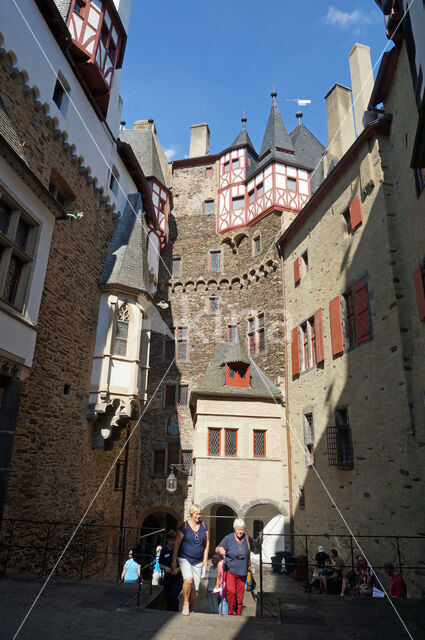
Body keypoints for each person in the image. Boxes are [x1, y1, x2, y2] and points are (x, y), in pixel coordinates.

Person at [215, 518, 259, 616]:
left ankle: (238, 614)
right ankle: (231, 612)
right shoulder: (228, 538)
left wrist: (258, 544)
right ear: (235, 529)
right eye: (239, 529)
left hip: (243, 573)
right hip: (230, 571)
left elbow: (255, 550)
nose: (240, 531)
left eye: (242, 529)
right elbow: (217, 548)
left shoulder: (247, 538)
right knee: (231, 592)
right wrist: (220, 549)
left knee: (240, 597)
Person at [172, 503, 209, 616]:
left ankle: (191, 610)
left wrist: (205, 559)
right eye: (196, 514)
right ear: (191, 514)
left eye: (200, 514)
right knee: (188, 580)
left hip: (198, 560)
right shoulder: (185, 526)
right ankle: (186, 603)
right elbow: (177, 544)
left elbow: (207, 544)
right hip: (185, 558)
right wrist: (174, 560)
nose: (199, 516)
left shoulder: (204, 526)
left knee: (196, 590)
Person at [159, 530, 183, 611]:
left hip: (177, 578)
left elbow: (183, 564)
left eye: (174, 540)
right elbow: (160, 564)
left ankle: (175, 611)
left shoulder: (179, 550)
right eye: (170, 540)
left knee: (173, 595)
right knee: (167, 597)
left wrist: (177, 569)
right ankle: (168, 612)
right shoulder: (164, 550)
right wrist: (165, 568)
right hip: (167, 578)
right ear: (167, 540)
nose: (172, 542)